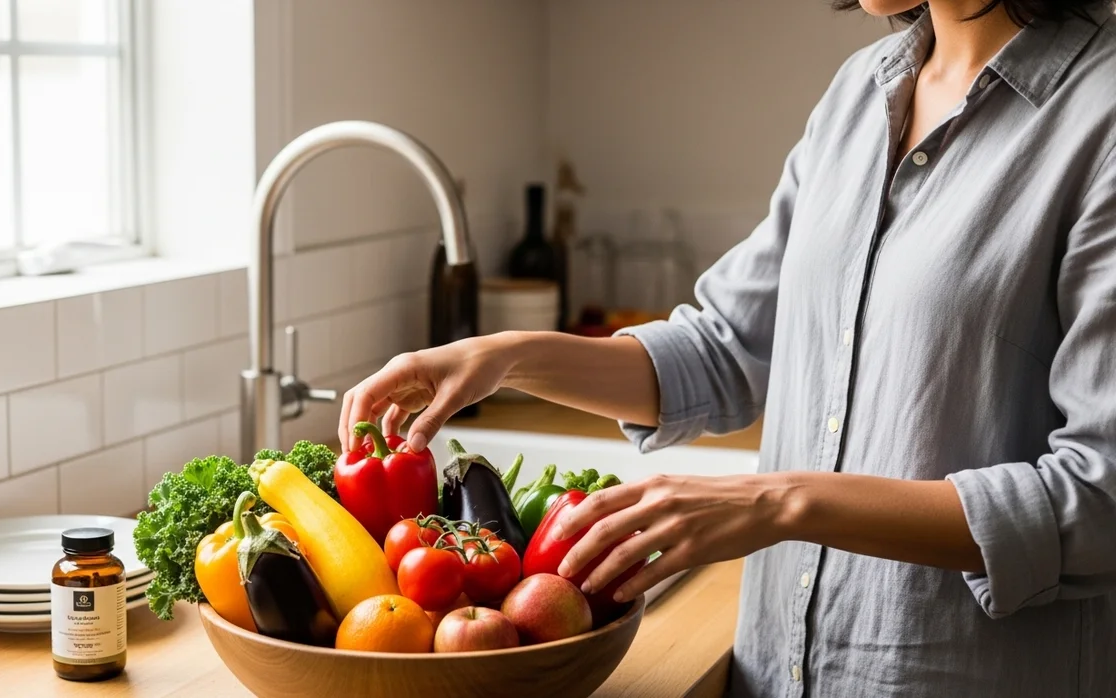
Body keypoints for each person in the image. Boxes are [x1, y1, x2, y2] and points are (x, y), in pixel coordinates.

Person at [339, 1, 1116, 695]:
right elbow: (724, 348)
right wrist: (509, 354)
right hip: (774, 668)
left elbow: (1100, 499)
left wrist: (779, 502)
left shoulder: (1099, 115)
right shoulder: (861, 91)